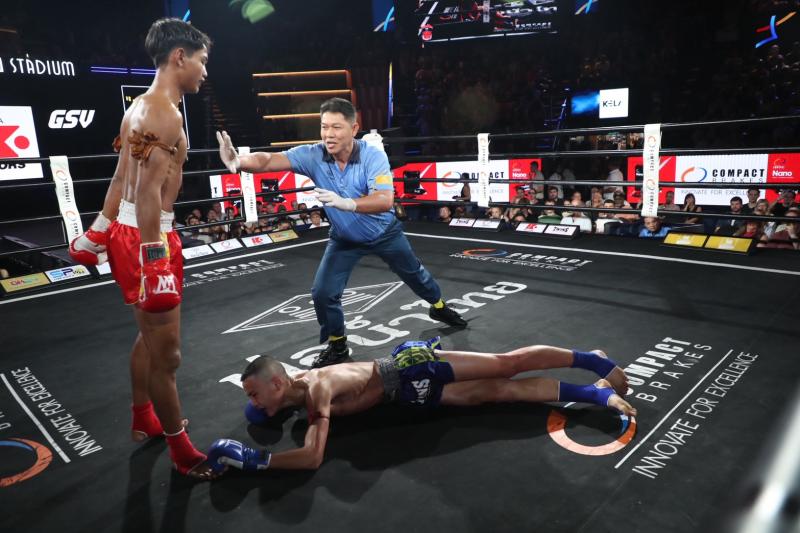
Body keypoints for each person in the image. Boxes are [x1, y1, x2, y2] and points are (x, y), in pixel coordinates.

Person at [217, 98, 467, 368]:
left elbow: (385, 199)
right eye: (324, 127)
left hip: (385, 233)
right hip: (344, 239)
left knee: (415, 275)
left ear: (354, 129)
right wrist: (239, 161)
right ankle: (337, 345)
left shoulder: (373, 156)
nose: (328, 134)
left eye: (336, 127)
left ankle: (438, 307)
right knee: (322, 292)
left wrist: (348, 204)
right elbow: (268, 160)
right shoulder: (313, 154)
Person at [67, 18, 214, 478]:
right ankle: (182, 452)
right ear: (179, 57)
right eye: (202, 61)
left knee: (148, 339)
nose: (204, 71)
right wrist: (155, 260)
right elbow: (148, 192)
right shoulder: (165, 114)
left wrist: (97, 230)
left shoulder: (138, 108)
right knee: (168, 356)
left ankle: (142, 418)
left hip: (133, 233)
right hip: (149, 237)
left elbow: (119, 179)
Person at [206, 338, 637, 472]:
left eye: (254, 393)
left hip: (412, 367)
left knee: (506, 366)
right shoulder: (291, 391)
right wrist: (264, 410)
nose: (253, 403)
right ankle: (595, 394)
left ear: (277, 383)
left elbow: (312, 457)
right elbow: (270, 404)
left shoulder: (317, 387)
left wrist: (257, 459)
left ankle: (593, 362)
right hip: (409, 395)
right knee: (499, 392)